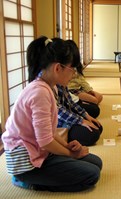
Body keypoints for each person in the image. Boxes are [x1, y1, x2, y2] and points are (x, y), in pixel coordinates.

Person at [1, 36, 102, 192]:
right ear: (57, 68)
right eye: (72, 69)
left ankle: (54, 166)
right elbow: (45, 141)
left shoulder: (50, 87)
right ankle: (28, 181)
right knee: (92, 174)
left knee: (96, 162)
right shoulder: (39, 92)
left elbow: (49, 133)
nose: (73, 74)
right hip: (27, 163)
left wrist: (67, 146)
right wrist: (72, 155)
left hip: (41, 151)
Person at [66, 40, 103, 105]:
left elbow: (81, 80)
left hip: (80, 88)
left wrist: (89, 90)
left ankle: (84, 103)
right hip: (71, 90)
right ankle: (82, 104)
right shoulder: (65, 65)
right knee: (94, 101)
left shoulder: (77, 64)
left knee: (99, 97)